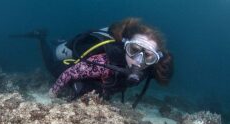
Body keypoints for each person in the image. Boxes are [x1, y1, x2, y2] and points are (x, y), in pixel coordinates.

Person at [11, 18, 173, 108]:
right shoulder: (104, 61)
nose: (139, 60)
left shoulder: (148, 71)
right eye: (134, 50)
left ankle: (59, 41)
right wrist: (52, 95)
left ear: (154, 59)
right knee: (51, 65)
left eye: (148, 56)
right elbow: (69, 73)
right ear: (125, 46)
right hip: (69, 68)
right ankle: (41, 38)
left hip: (95, 84)